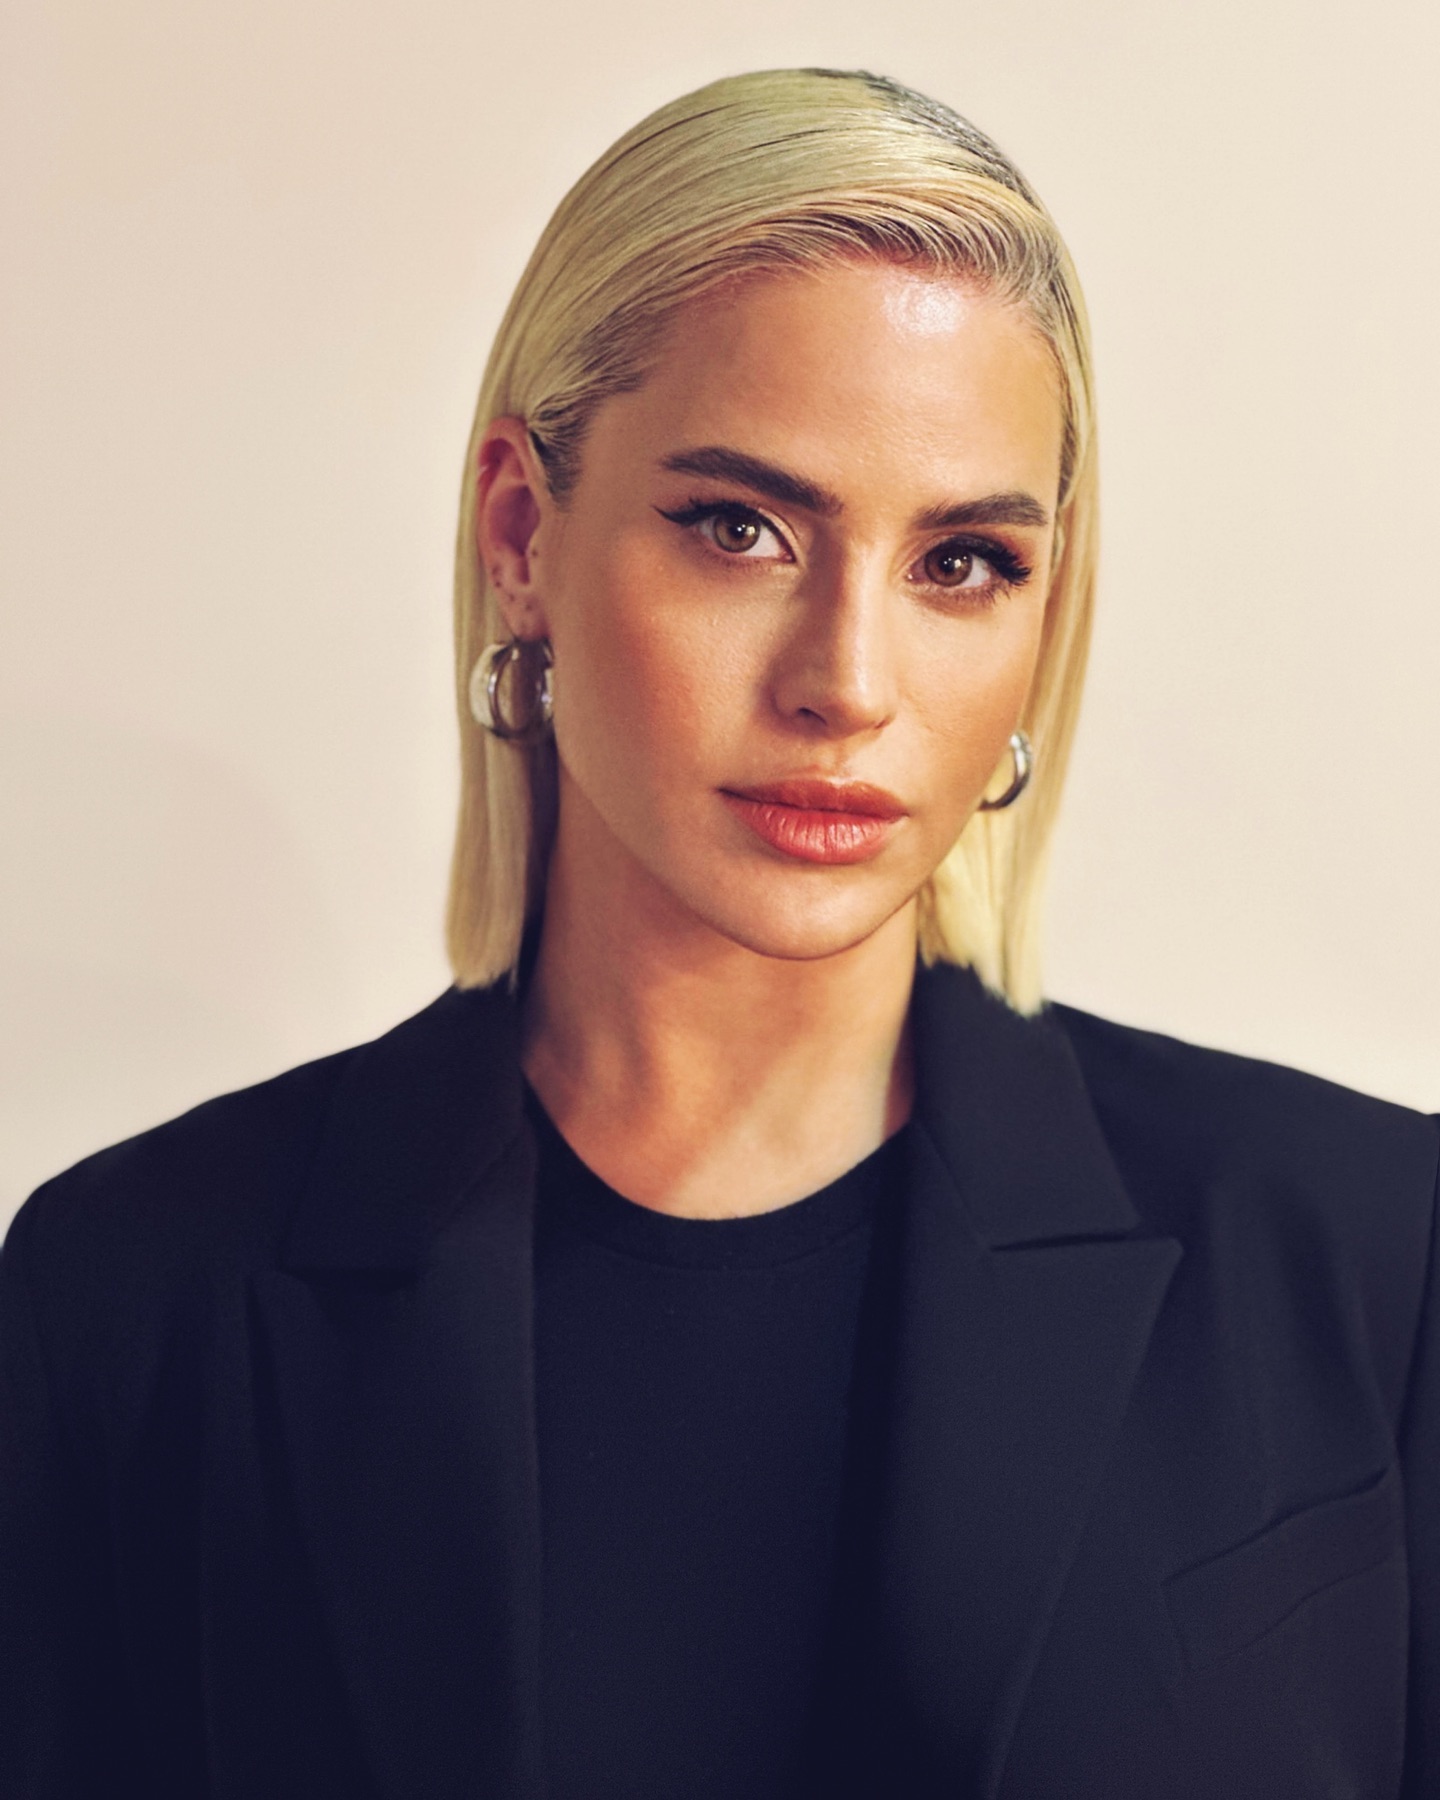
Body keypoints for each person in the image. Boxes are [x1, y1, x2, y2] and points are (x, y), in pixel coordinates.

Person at [1, 65, 1436, 1800]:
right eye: (741, 529)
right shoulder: (133, 1296)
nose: (848, 681)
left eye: (962, 563)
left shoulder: (1370, 1254)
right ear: (522, 534)